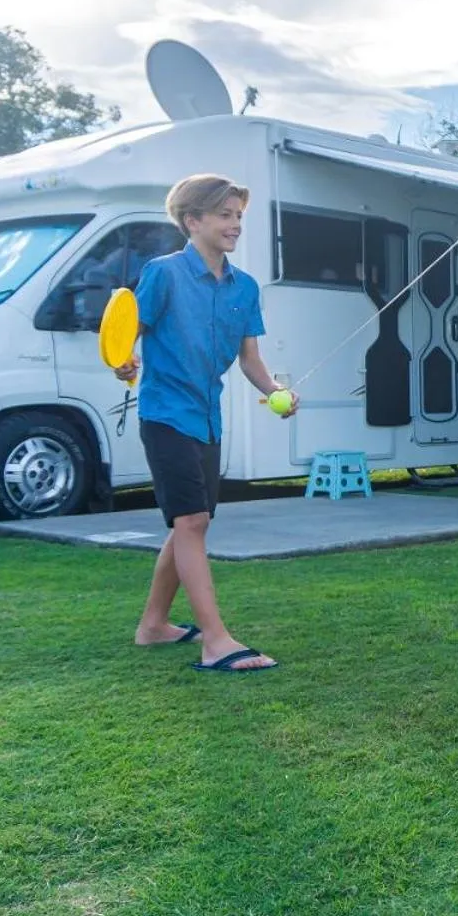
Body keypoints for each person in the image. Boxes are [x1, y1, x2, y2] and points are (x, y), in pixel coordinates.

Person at [114, 174, 298, 673]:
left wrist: (277, 392)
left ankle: (153, 625)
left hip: (208, 417)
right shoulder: (164, 274)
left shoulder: (245, 287)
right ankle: (215, 640)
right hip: (165, 413)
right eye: (224, 214)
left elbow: (251, 361)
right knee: (191, 521)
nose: (235, 224)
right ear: (192, 221)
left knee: (191, 524)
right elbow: (129, 334)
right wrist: (124, 361)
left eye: (239, 215)